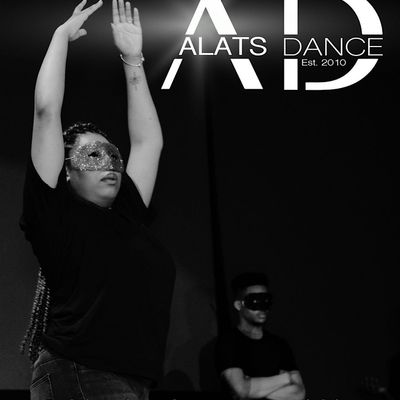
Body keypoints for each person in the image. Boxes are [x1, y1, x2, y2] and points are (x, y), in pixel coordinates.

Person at [19, 0, 176, 399]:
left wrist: (133, 59)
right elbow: (46, 111)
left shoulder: (127, 214)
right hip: (80, 370)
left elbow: (149, 142)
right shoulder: (55, 214)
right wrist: (60, 37)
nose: (109, 163)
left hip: (130, 378)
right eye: (92, 155)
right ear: (66, 171)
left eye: (113, 155)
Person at [215, 272, 306, 400]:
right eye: (255, 301)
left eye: (266, 300)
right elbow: (241, 390)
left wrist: (252, 386)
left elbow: (299, 393)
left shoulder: (280, 345)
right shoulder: (228, 342)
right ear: (238, 305)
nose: (262, 307)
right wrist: (285, 379)